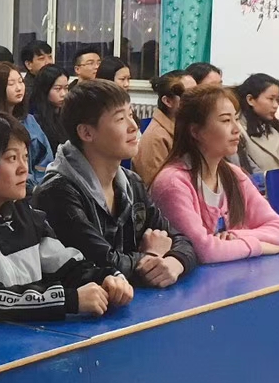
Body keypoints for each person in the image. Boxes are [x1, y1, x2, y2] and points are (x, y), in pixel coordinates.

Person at [0, 112, 134, 321]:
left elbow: (69, 268)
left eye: (25, 157)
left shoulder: (25, 213)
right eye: (12, 158)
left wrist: (108, 277)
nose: (24, 168)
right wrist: (66, 300)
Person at [35, 79, 196, 288]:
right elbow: (101, 264)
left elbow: (182, 240)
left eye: (131, 114)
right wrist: (153, 255)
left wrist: (175, 262)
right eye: (120, 119)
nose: (134, 126)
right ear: (86, 133)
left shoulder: (132, 182)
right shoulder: (58, 192)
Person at [149, 85, 279, 263]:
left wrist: (237, 236)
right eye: (225, 121)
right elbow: (203, 250)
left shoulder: (233, 174)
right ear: (195, 131)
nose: (236, 129)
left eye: (236, 119)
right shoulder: (173, 183)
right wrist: (259, 247)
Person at [133, 70, 194, 185]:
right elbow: (156, 187)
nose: (197, 99)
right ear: (168, 101)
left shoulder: (186, 128)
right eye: (189, 95)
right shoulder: (155, 138)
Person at [236, 73, 279, 176]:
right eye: (271, 99)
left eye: (277, 100)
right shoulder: (237, 131)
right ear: (250, 100)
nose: (276, 105)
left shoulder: (274, 129)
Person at [26, 64, 70, 182]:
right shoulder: (33, 119)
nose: (64, 94)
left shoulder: (67, 114)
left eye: (66, 88)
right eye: (57, 89)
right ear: (45, 89)